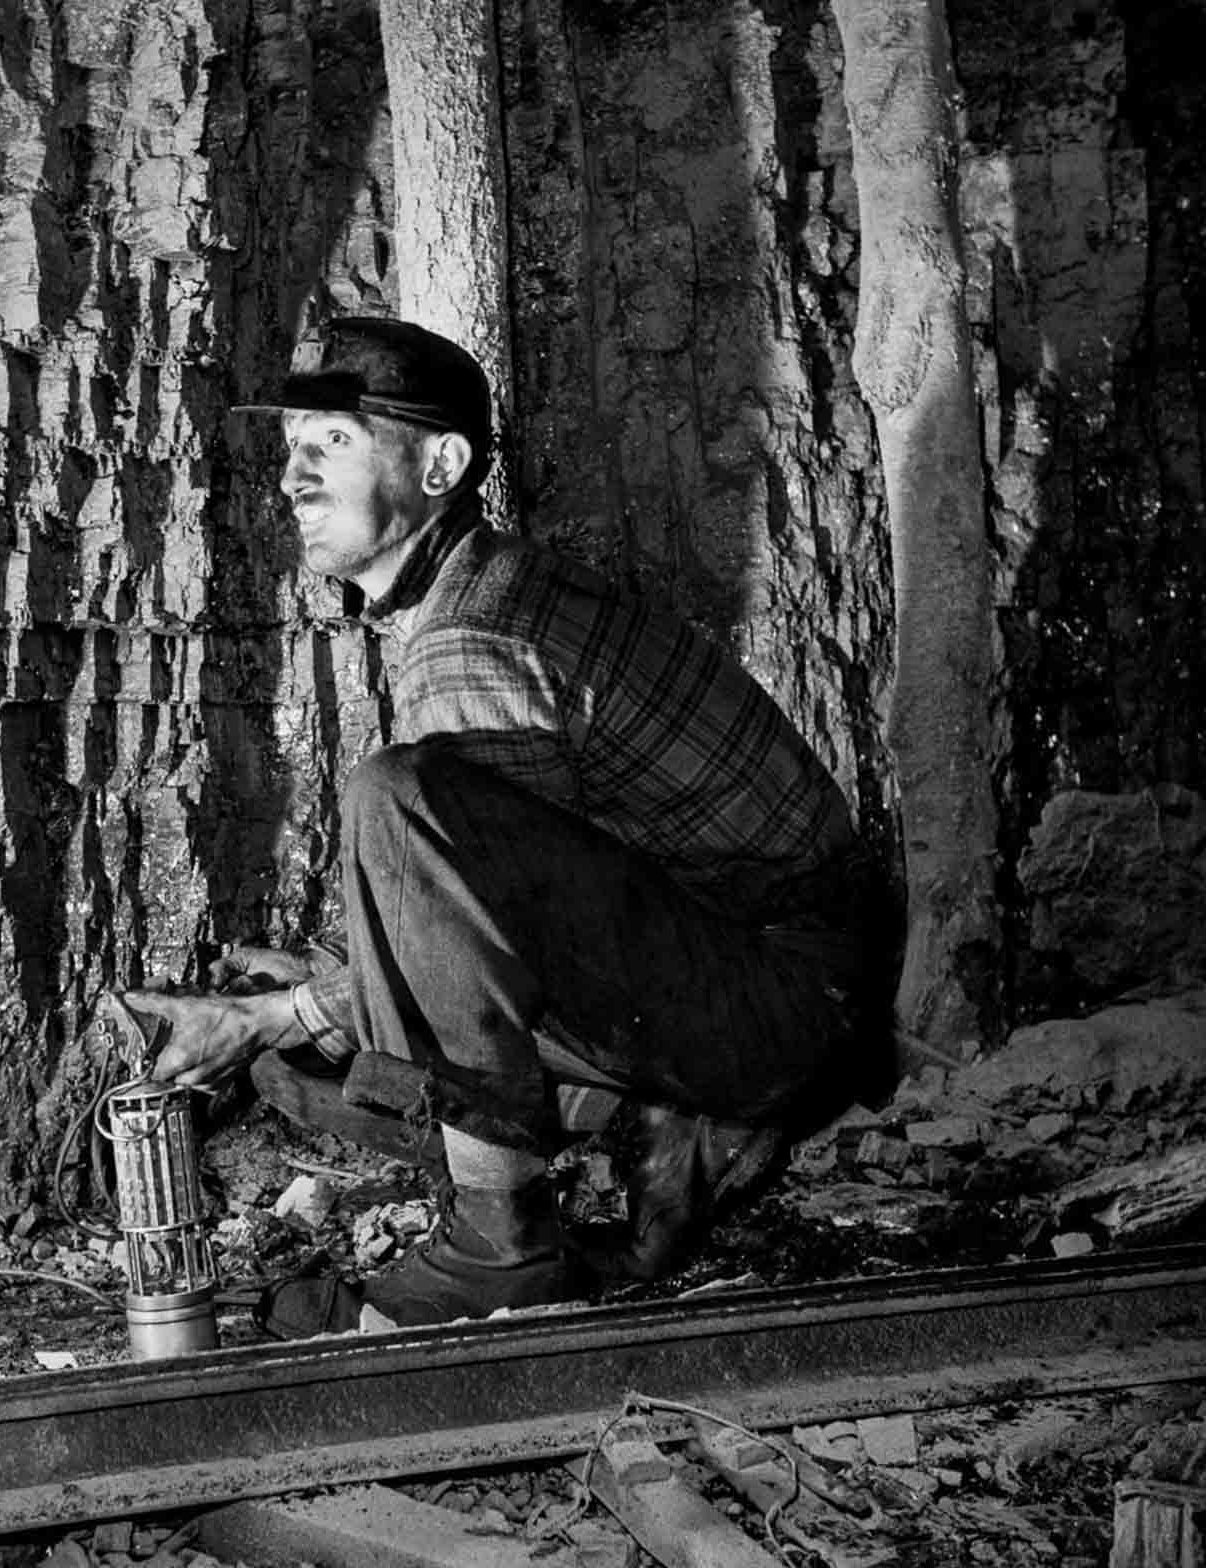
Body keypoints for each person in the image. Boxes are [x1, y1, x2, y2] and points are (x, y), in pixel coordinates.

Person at [99, 316, 888, 1337]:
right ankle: (653, 1125)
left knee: (390, 805)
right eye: (292, 446)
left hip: (781, 1000)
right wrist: (311, 994)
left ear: (441, 464)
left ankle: (499, 1250)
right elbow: (509, 902)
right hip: (749, 971)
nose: (293, 476)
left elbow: (478, 907)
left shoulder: (472, 637)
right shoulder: (483, 587)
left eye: (332, 443)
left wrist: (279, 1014)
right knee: (308, 1054)